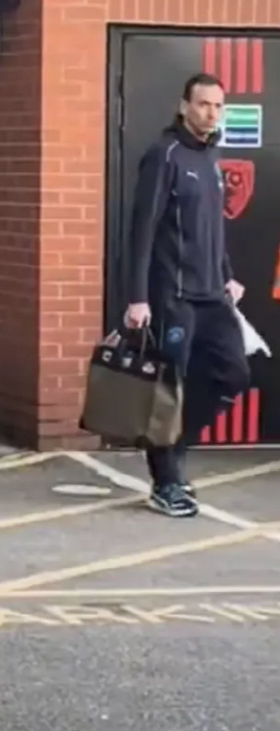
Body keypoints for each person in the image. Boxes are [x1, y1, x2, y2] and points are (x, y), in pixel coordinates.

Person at [125, 72, 251, 518]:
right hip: (173, 295)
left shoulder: (211, 155)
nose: (211, 113)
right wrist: (137, 297)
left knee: (232, 374)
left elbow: (213, 227)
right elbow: (142, 230)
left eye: (218, 106)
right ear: (184, 107)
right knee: (168, 389)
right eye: (203, 104)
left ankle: (173, 443)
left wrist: (228, 275)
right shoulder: (165, 155)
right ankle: (166, 482)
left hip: (212, 295)